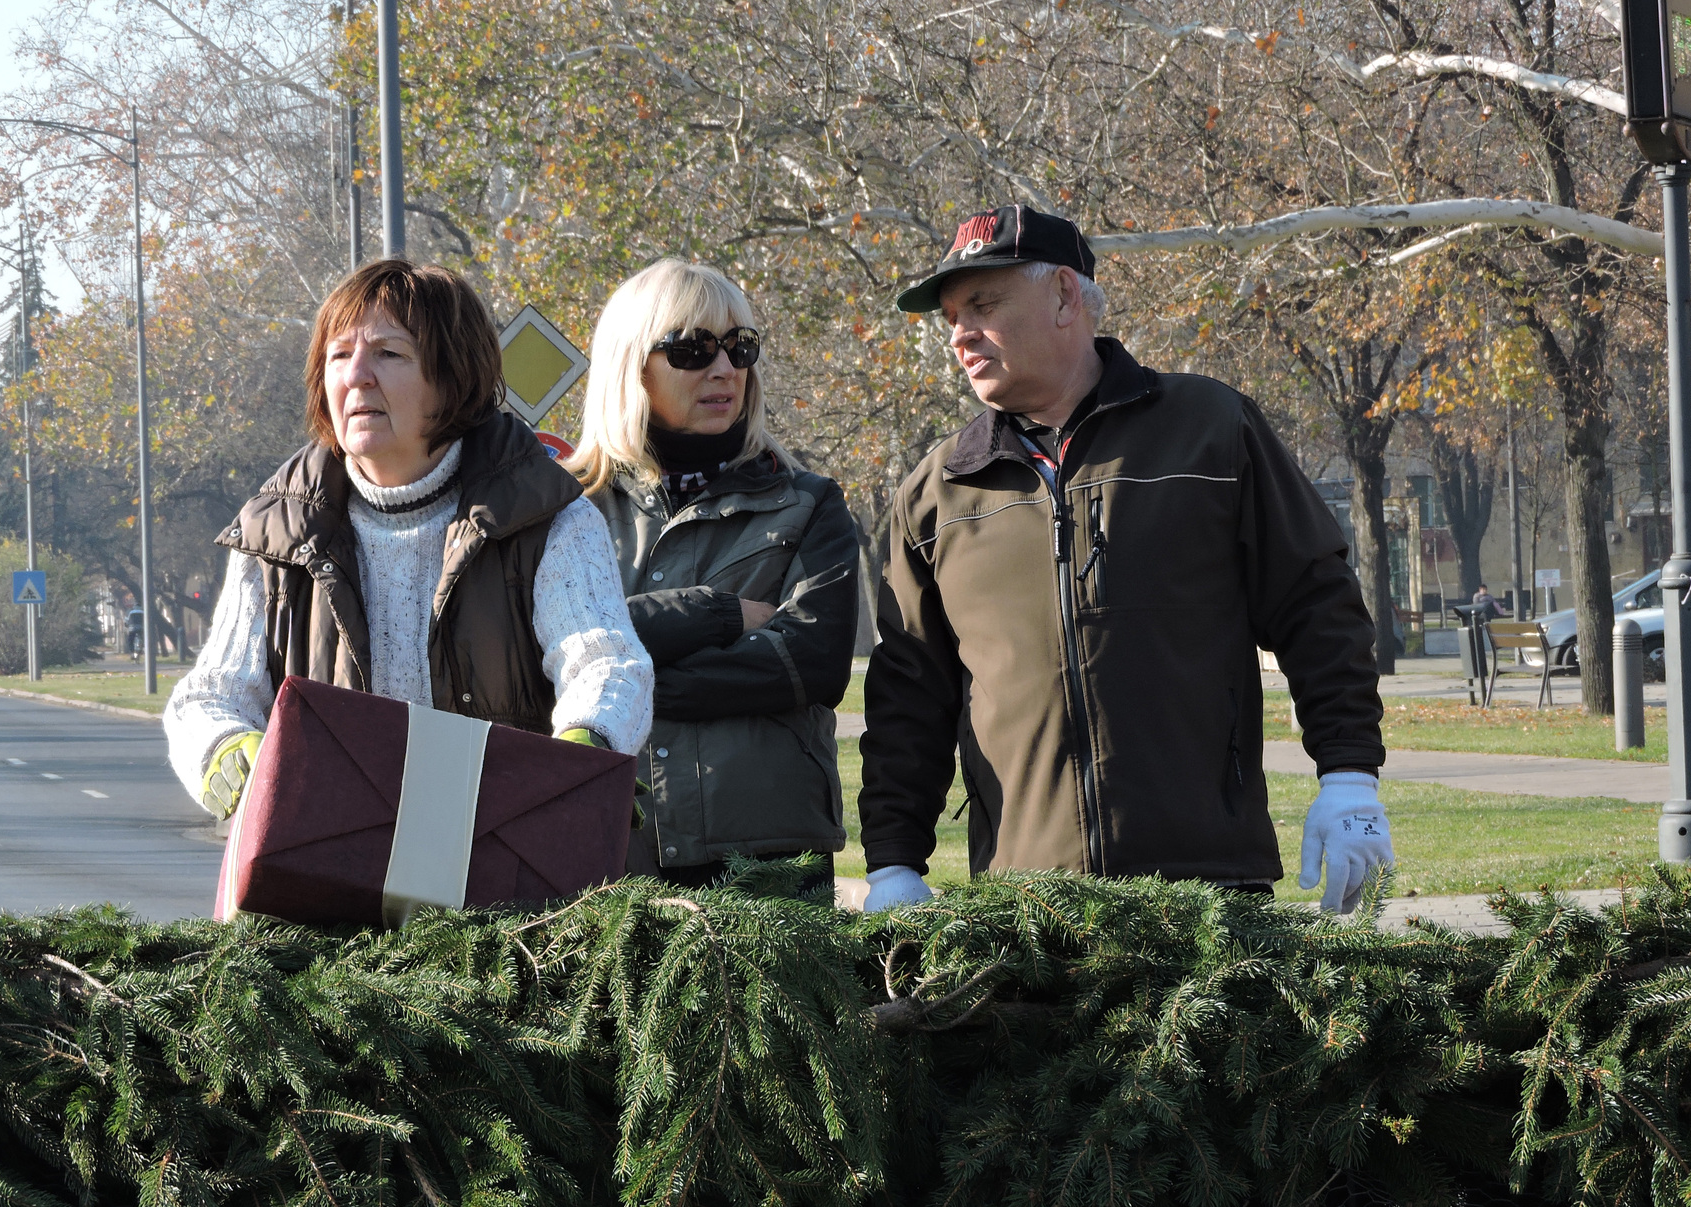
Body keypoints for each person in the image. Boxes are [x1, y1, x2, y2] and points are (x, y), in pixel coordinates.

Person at [859, 205, 1390, 914]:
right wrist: (894, 862)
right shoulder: (938, 492)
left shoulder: (1211, 431)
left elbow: (1316, 606)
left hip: (1210, 889)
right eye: (951, 317)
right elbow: (908, 696)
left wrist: (1349, 777)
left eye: (982, 305)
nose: (959, 335)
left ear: (1064, 297)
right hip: (1027, 905)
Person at [165, 259, 653, 819]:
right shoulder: (275, 534)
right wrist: (222, 744)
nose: (356, 376)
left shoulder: (552, 520)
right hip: (321, 855)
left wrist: (588, 745)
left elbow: (606, 665)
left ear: (454, 378)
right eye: (338, 355)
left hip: (499, 852)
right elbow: (211, 696)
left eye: (388, 353)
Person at [567, 259, 859, 887]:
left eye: (739, 347)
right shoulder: (566, 508)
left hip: (769, 861)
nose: (725, 368)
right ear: (631, 365)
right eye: (692, 349)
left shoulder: (808, 502)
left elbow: (810, 662)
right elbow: (553, 646)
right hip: (607, 853)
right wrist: (715, 615)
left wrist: (616, 678)